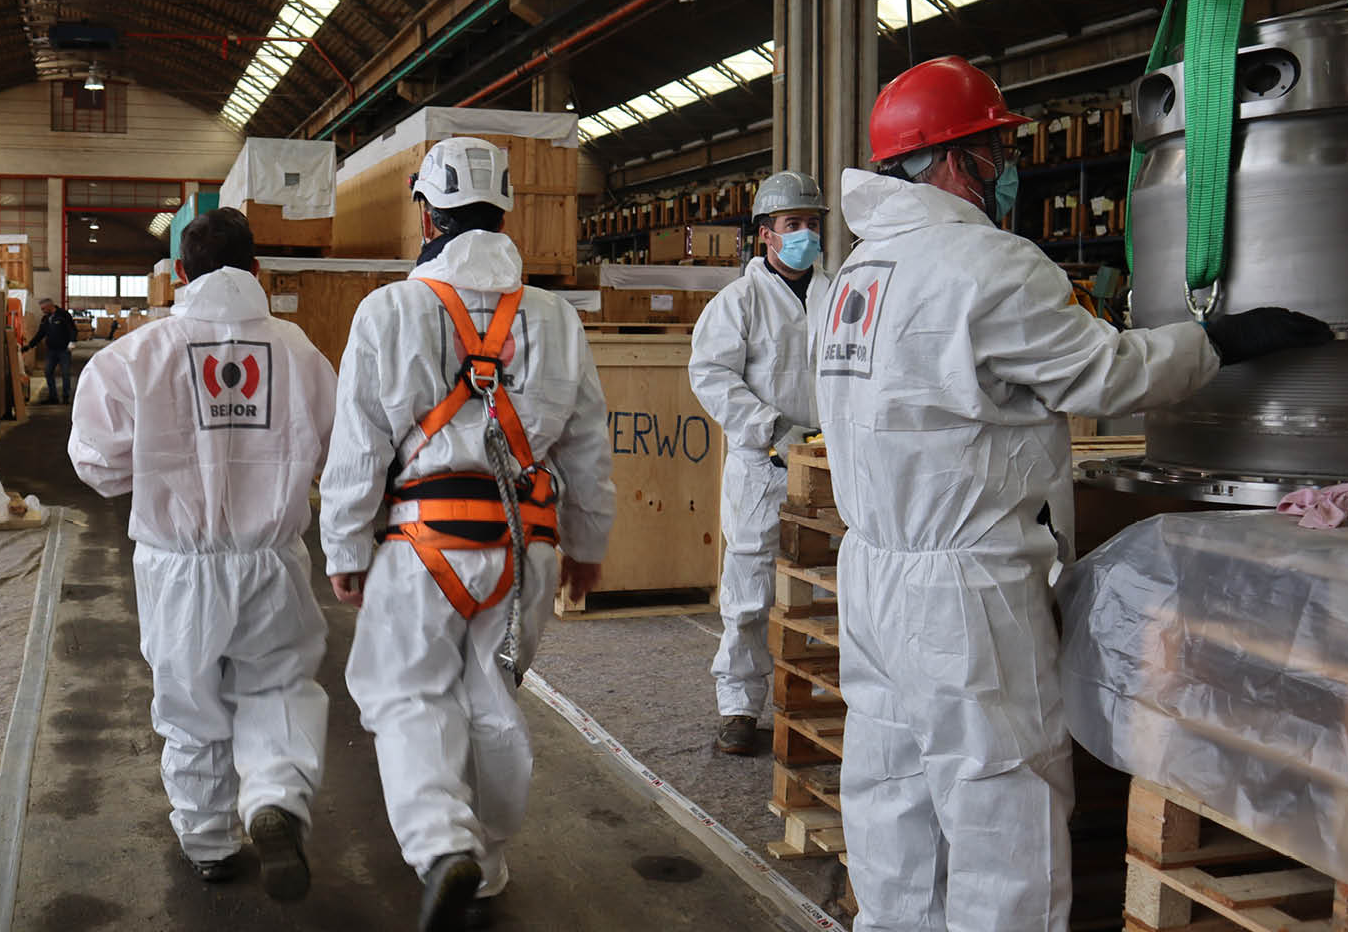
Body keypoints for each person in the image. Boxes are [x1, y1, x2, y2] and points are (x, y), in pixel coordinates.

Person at [817, 55, 1332, 931]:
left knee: (891, 781)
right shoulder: (986, 265)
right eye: (993, 150)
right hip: (964, 587)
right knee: (1001, 797)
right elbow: (1104, 373)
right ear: (952, 159)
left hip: (872, 573)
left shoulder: (856, 278)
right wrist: (1219, 342)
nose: (1003, 169)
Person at [321, 136, 615, 932]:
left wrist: (345, 547)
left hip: (425, 542)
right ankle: (482, 863)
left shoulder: (389, 310)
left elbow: (358, 444)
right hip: (528, 552)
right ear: (506, 208)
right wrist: (589, 544)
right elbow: (588, 442)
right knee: (491, 694)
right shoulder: (554, 315)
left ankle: (442, 843)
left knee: (406, 692)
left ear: (427, 214)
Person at [66, 207, 337, 901]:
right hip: (271, 556)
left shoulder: (138, 354)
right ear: (257, 270)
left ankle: (210, 841)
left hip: (177, 562)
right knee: (276, 685)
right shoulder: (300, 350)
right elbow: (339, 452)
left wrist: (156, 471)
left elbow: (96, 462)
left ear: (180, 274)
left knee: (190, 701)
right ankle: (273, 798)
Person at [688, 170, 832, 757]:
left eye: (813, 224)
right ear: (765, 236)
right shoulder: (739, 302)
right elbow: (711, 375)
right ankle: (739, 707)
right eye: (792, 225)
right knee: (749, 591)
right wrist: (770, 427)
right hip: (763, 467)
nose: (805, 235)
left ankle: (822, 701)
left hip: (831, 463)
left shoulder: (839, 293)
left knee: (830, 589)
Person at [25, 298, 78, 404]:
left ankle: (66, 397)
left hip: (63, 350)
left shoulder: (63, 315)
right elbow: (40, 334)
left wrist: (72, 341)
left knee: (65, 374)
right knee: (48, 372)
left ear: (50, 306)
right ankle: (53, 397)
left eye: (44, 308)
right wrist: (29, 346)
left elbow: (72, 329)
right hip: (51, 351)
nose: (42, 310)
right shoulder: (45, 319)